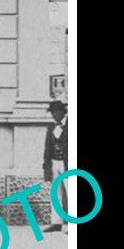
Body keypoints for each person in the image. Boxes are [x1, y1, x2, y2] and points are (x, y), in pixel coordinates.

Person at [41, 99, 68, 234]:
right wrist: (46, 169)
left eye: (55, 112)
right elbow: (47, 150)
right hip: (54, 163)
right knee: (56, 193)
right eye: (52, 112)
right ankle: (56, 223)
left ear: (62, 112)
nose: (53, 115)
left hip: (68, 164)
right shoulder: (50, 128)